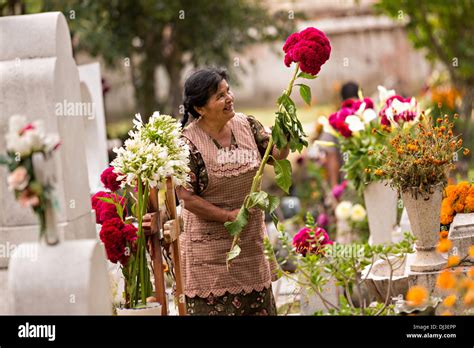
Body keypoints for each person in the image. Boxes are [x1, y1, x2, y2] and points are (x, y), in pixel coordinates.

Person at [168, 67, 288, 316]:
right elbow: (187, 199)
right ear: (200, 108)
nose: (229, 98)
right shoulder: (186, 144)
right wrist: (228, 217)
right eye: (219, 96)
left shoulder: (247, 126)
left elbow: (276, 157)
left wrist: (286, 136)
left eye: (228, 91)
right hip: (207, 251)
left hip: (248, 244)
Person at [319, 81, 359, 188]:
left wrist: (334, 187)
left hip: (348, 182)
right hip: (371, 177)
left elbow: (331, 155)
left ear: (341, 100)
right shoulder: (366, 113)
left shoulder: (336, 119)